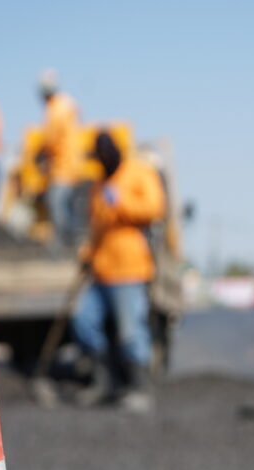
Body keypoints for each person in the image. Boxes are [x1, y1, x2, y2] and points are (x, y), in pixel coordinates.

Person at [72, 130, 165, 412]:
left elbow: (154, 208)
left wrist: (121, 201)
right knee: (83, 320)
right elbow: (96, 226)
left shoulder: (138, 173)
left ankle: (138, 387)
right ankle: (105, 382)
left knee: (130, 331)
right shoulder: (98, 185)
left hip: (130, 269)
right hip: (101, 269)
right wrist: (87, 254)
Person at [37, 69, 82, 247]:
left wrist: (41, 154)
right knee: (69, 208)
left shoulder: (55, 109)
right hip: (73, 164)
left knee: (58, 205)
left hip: (63, 166)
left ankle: (64, 245)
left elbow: (52, 138)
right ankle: (72, 243)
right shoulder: (68, 104)